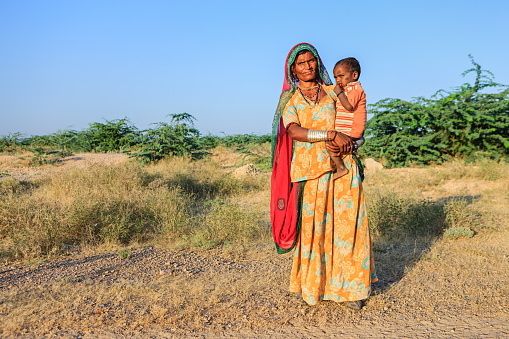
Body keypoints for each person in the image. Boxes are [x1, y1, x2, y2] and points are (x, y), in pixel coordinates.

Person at [271, 43, 377, 310]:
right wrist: (330, 135)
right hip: (311, 174)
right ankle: (313, 285)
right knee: (315, 232)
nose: (307, 67)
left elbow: (356, 123)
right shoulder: (290, 100)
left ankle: (352, 290)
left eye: (311, 61)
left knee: (347, 230)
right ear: (292, 70)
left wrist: (354, 144)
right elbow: (294, 131)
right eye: (301, 63)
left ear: (317, 63)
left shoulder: (334, 91)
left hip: (344, 169)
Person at [327, 57, 367, 179]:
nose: (338, 80)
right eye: (335, 77)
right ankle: (354, 146)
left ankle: (341, 168)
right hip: (350, 131)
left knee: (330, 145)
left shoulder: (356, 89)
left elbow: (349, 106)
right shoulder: (347, 89)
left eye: (341, 76)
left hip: (350, 130)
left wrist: (339, 93)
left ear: (354, 75)